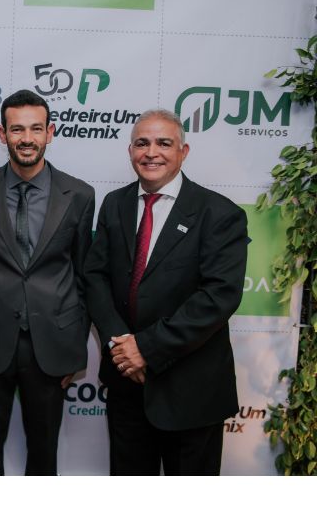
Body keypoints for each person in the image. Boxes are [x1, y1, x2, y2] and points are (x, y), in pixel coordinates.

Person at [84, 109, 248, 475]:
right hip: (127, 385)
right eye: (142, 143)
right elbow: (95, 277)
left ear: (183, 152)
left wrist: (146, 348)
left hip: (191, 392)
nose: (151, 152)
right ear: (130, 151)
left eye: (164, 143)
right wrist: (121, 346)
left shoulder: (220, 213)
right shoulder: (114, 204)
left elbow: (218, 296)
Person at [0, 89, 95, 476]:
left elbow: (84, 275)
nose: (27, 138)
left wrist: (75, 346)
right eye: (17, 129)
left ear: (50, 132)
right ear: (2, 134)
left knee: (44, 453)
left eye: (36, 128)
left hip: (52, 345)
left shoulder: (80, 194)